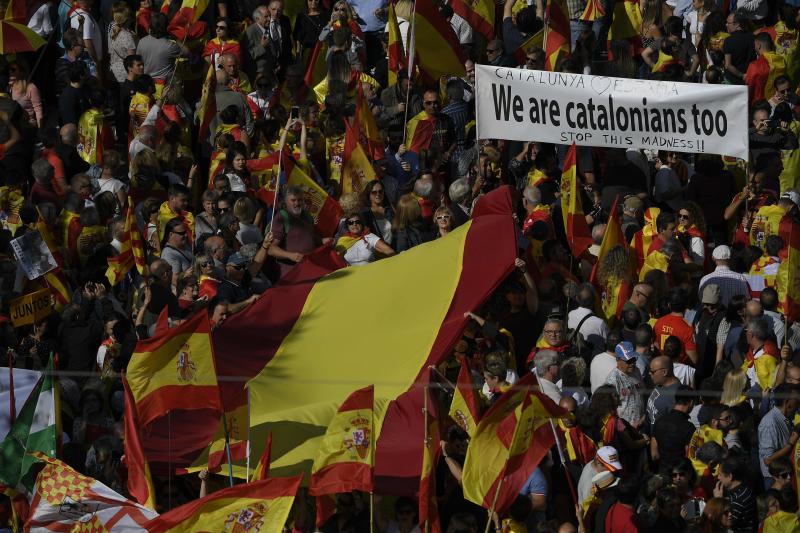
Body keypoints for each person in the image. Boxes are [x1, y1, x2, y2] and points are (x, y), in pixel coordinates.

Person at [757, 383, 799, 489]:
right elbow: (768, 461)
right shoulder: (769, 424)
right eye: (797, 401)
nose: (798, 404)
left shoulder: (786, 416)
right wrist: (790, 443)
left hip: (785, 473)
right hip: (775, 479)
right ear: (786, 403)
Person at [650, 385, 696, 475]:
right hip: (680, 476)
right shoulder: (689, 428)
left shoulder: (659, 421)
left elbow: (654, 455)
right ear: (691, 402)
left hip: (663, 474)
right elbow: (690, 457)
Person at [604, 341, 645, 427]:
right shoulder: (613, 379)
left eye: (634, 359)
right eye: (629, 360)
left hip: (641, 423)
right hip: (625, 429)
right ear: (618, 360)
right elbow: (609, 410)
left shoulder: (636, 371)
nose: (632, 363)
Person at [713, 456, 757, 533]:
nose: (718, 477)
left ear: (730, 476)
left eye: (720, 474)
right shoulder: (745, 484)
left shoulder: (738, 500)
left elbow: (724, 523)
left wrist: (718, 501)